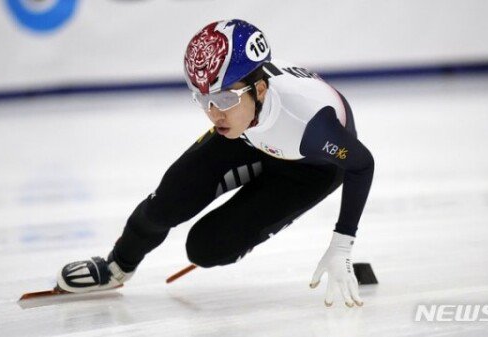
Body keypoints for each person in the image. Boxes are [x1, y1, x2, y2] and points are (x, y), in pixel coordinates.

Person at [56, 19, 374, 308]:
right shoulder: (237, 112)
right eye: (204, 100)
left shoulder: (312, 126)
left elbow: (362, 164)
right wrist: (229, 106)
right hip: (248, 135)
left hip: (310, 168)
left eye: (223, 99)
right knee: (165, 204)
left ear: (260, 89)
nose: (214, 113)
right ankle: (116, 267)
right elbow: (228, 114)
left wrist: (342, 246)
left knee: (205, 249)